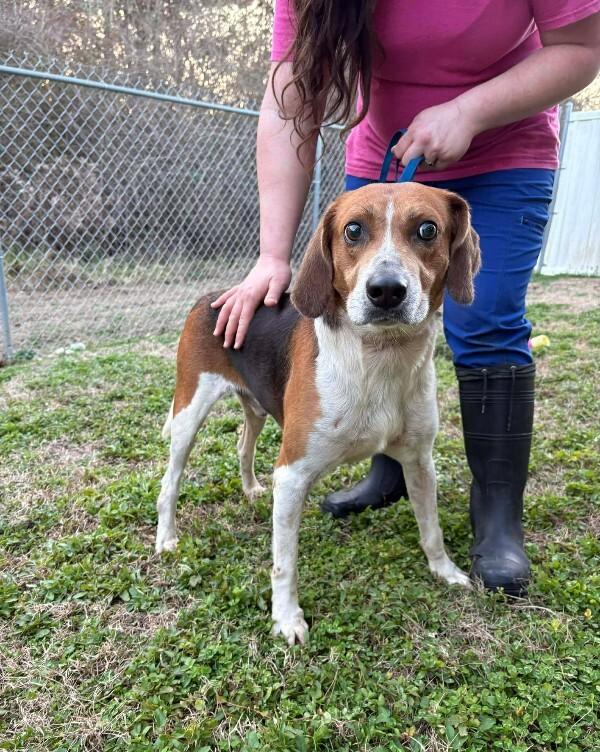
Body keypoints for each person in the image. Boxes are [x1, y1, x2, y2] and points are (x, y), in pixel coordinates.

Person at [212, 1, 600, 595]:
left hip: (504, 152)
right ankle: (386, 466)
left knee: (486, 318)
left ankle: (496, 515)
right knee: (365, 314)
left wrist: (469, 110)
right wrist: (272, 255)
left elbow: (582, 48)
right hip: (386, 157)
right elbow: (290, 100)